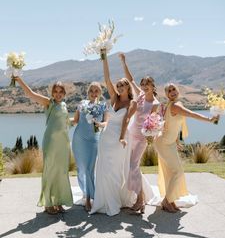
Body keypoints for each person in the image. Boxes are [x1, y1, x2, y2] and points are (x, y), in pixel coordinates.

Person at [155, 83, 219, 213]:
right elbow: (191, 114)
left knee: (172, 172)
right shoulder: (175, 105)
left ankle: (171, 200)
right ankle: (166, 201)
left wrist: (177, 140)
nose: (172, 92)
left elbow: (172, 123)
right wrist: (209, 119)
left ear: (177, 91)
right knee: (177, 172)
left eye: (174, 89)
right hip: (164, 143)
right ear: (167, 95)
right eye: (169, 91)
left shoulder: (173, 104)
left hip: (169, 142)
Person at [14, 77, 73, 215]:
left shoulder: (64, 105)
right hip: (51, 143)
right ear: (52, 93)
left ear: (64, 93)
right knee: (51, 171)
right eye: (56, 91)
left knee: (61, 172)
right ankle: (48, 203)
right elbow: (31, 94)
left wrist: (80, 118)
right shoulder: (49, 103)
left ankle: (58, 201)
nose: (58, 94)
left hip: (63, 144)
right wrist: (19, 80)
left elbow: (65, 122)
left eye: (61, 91)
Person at [90, 49, 137, 216]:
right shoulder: (114, 98)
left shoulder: (132, 103)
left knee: (115, 170)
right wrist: (104, 57)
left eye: (123, 85)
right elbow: (107, 78)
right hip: (107, 136)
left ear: (128, 87)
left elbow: (126, 120)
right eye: (118, 85)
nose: (119, 87)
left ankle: (115, 200)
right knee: (103, 168)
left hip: (120, 139)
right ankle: (103, 201)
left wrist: (122, 137)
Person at [119, 53, 159, 213]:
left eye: (147, 84)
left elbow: (154, 122)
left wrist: (150, 135)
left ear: (153, 86)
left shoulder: (155, 103)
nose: (144, 86)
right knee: (130, 167)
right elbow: (130, 79)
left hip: (142, 138)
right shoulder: (140, 95)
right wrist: (123, 62)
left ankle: (140, 200)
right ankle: (138, 199)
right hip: (130, 134)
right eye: (143, 84)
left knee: (133, 166)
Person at [72, 82, 108, 212]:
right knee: (81, 168)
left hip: (94, 139)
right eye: (91, 90)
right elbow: (75, 120)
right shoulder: (82, 103)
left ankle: (88, 198)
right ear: (88, 92)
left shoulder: (103, 106)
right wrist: (61, 120)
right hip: (79, 138)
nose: (94, 93)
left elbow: (106, 122)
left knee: (89, 168)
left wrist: (99, 124)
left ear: (100, 93)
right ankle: (84, 191)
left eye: (96, 90)